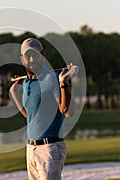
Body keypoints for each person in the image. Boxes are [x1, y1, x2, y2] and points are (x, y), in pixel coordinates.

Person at [10, 38, 75, 180]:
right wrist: (14, 90)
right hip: (31, 149)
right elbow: (29, 117)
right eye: (27, 56)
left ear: (42, 56)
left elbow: (67, 111)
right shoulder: (26, 83)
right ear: (22, 59)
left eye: (35, 55)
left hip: (49, 148)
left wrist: (64, 84)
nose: (32, 59)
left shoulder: (51, 79)